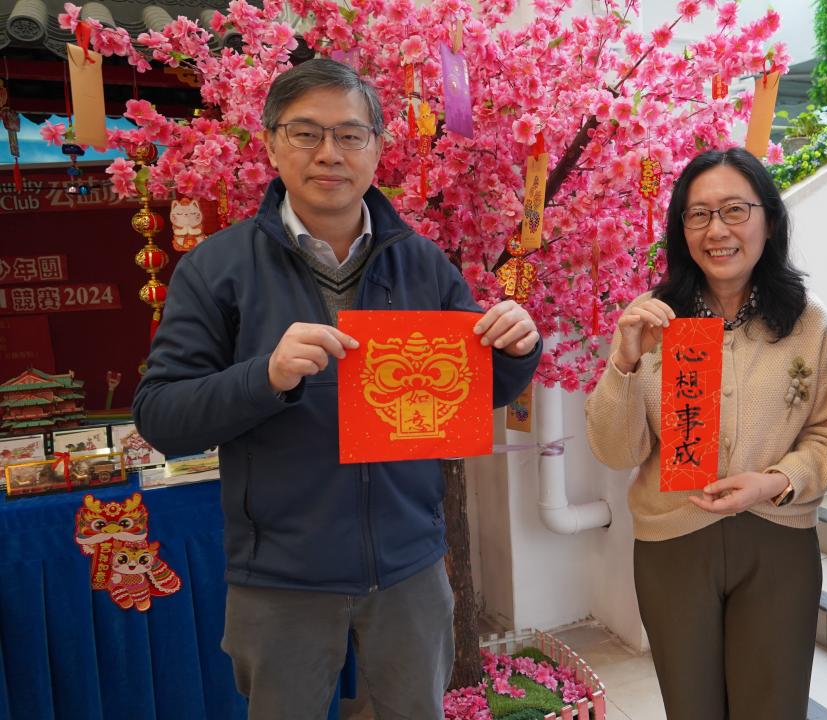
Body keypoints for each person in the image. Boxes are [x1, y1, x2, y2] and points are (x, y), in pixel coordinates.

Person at [132, 58, 542, 720]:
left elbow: (477, 386)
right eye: (306, 133)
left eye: (350, 135)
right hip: (281, 578)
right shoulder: (217, 269)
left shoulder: (421, 261)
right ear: (272, 145)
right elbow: (161, 417)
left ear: (377, 149)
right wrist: (265, 376)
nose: (329, 153)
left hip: (409, 568)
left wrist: (519, 348)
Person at [584, 147, 827, 719]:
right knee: (692, 708)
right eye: (698, 214)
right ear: (682, 230)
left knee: (773, 707)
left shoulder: (808, 321)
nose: (717, 230)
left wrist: (776, 481)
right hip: (673, 544)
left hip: (777, 540)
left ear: (769, 221)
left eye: (735, 210)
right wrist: (624, 364)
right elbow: (615, 451)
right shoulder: (651, 318)